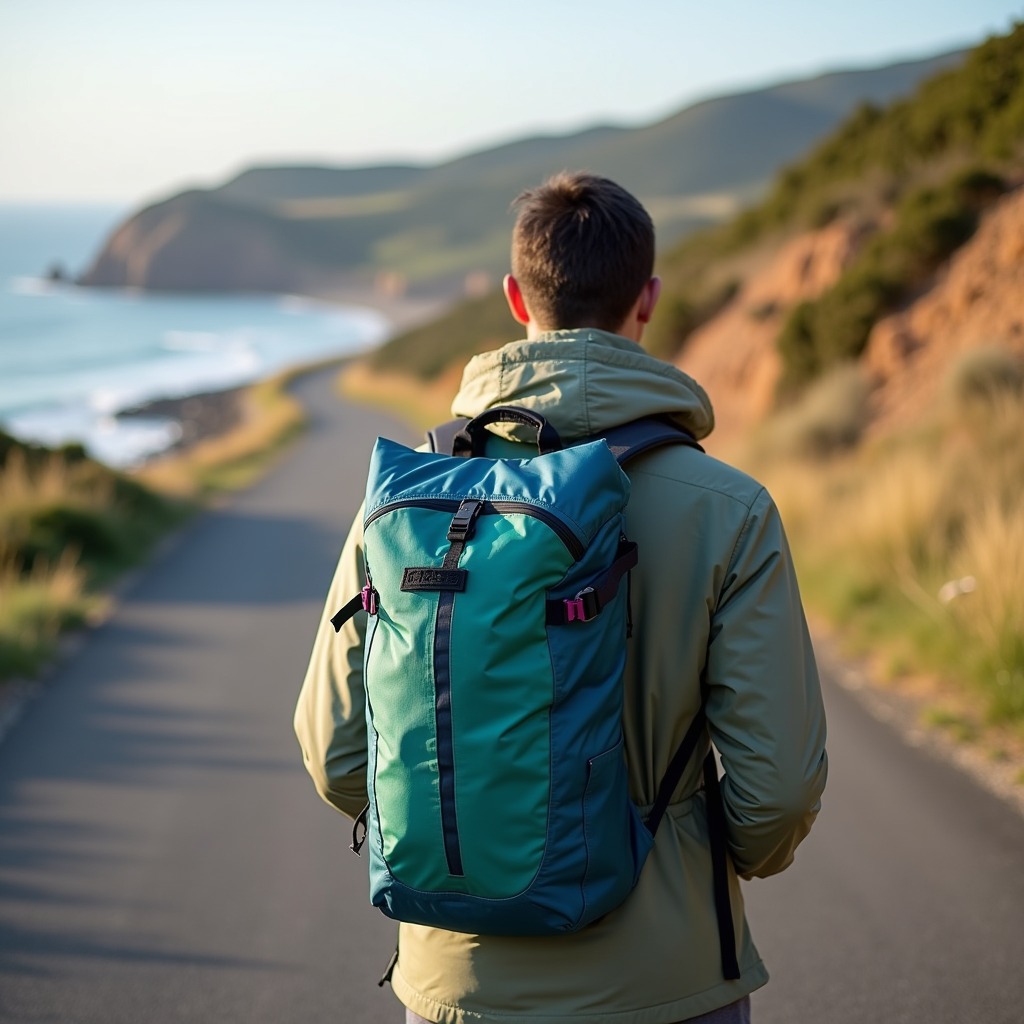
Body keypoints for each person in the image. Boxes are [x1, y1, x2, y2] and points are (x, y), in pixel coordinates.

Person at [294, 171, 828, 1024]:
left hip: (457, 986)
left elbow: (334, 753)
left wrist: (462, 811)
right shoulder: (730, 510)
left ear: (515, 297)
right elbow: (780, 790)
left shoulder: (405, 503)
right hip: (668, 979)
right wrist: (692, 865)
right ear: (646, 298)